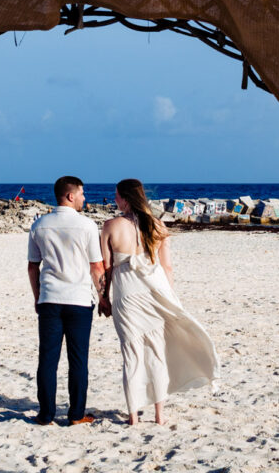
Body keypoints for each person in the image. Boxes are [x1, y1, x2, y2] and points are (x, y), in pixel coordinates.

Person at [99, 178, 219, 426]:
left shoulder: (110, 226)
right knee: (156, 353)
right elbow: (167, 267)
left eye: (117, 196)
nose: (114, 200)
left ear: (125, 198)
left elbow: (106, 269)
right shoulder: (159, 226)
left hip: (128, 295)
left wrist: (104, 298)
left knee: (132, 354)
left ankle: (133, 416)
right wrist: (170, 298)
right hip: (156, 291)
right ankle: (159, 415)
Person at [26, 176, 105, 426]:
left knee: (47, 359)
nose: (84, 197)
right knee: (78, 360)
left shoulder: (39, 225)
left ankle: (46, 414)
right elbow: (97, 267)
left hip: (50, 298)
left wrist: (38, 296)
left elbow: (32, 267)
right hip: (79, 300)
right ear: (70, 196)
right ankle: (76, 414)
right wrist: (103, 298)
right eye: (82, 193)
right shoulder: (87, 226)